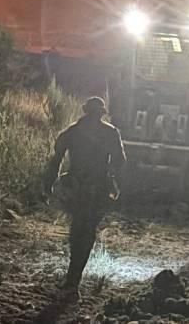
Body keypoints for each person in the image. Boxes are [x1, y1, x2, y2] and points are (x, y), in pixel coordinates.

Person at [43, 96, 127, 292]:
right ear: (100, 113)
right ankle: (74, 277)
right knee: (86, 232)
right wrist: (118, 187)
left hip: (77, 188)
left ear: (85, 111)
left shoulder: (72, 132)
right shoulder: (110, 133)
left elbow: (55, 159)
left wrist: (48, 186)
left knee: (78, 230)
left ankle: (73, 278)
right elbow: (119, 162)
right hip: (97, 189)